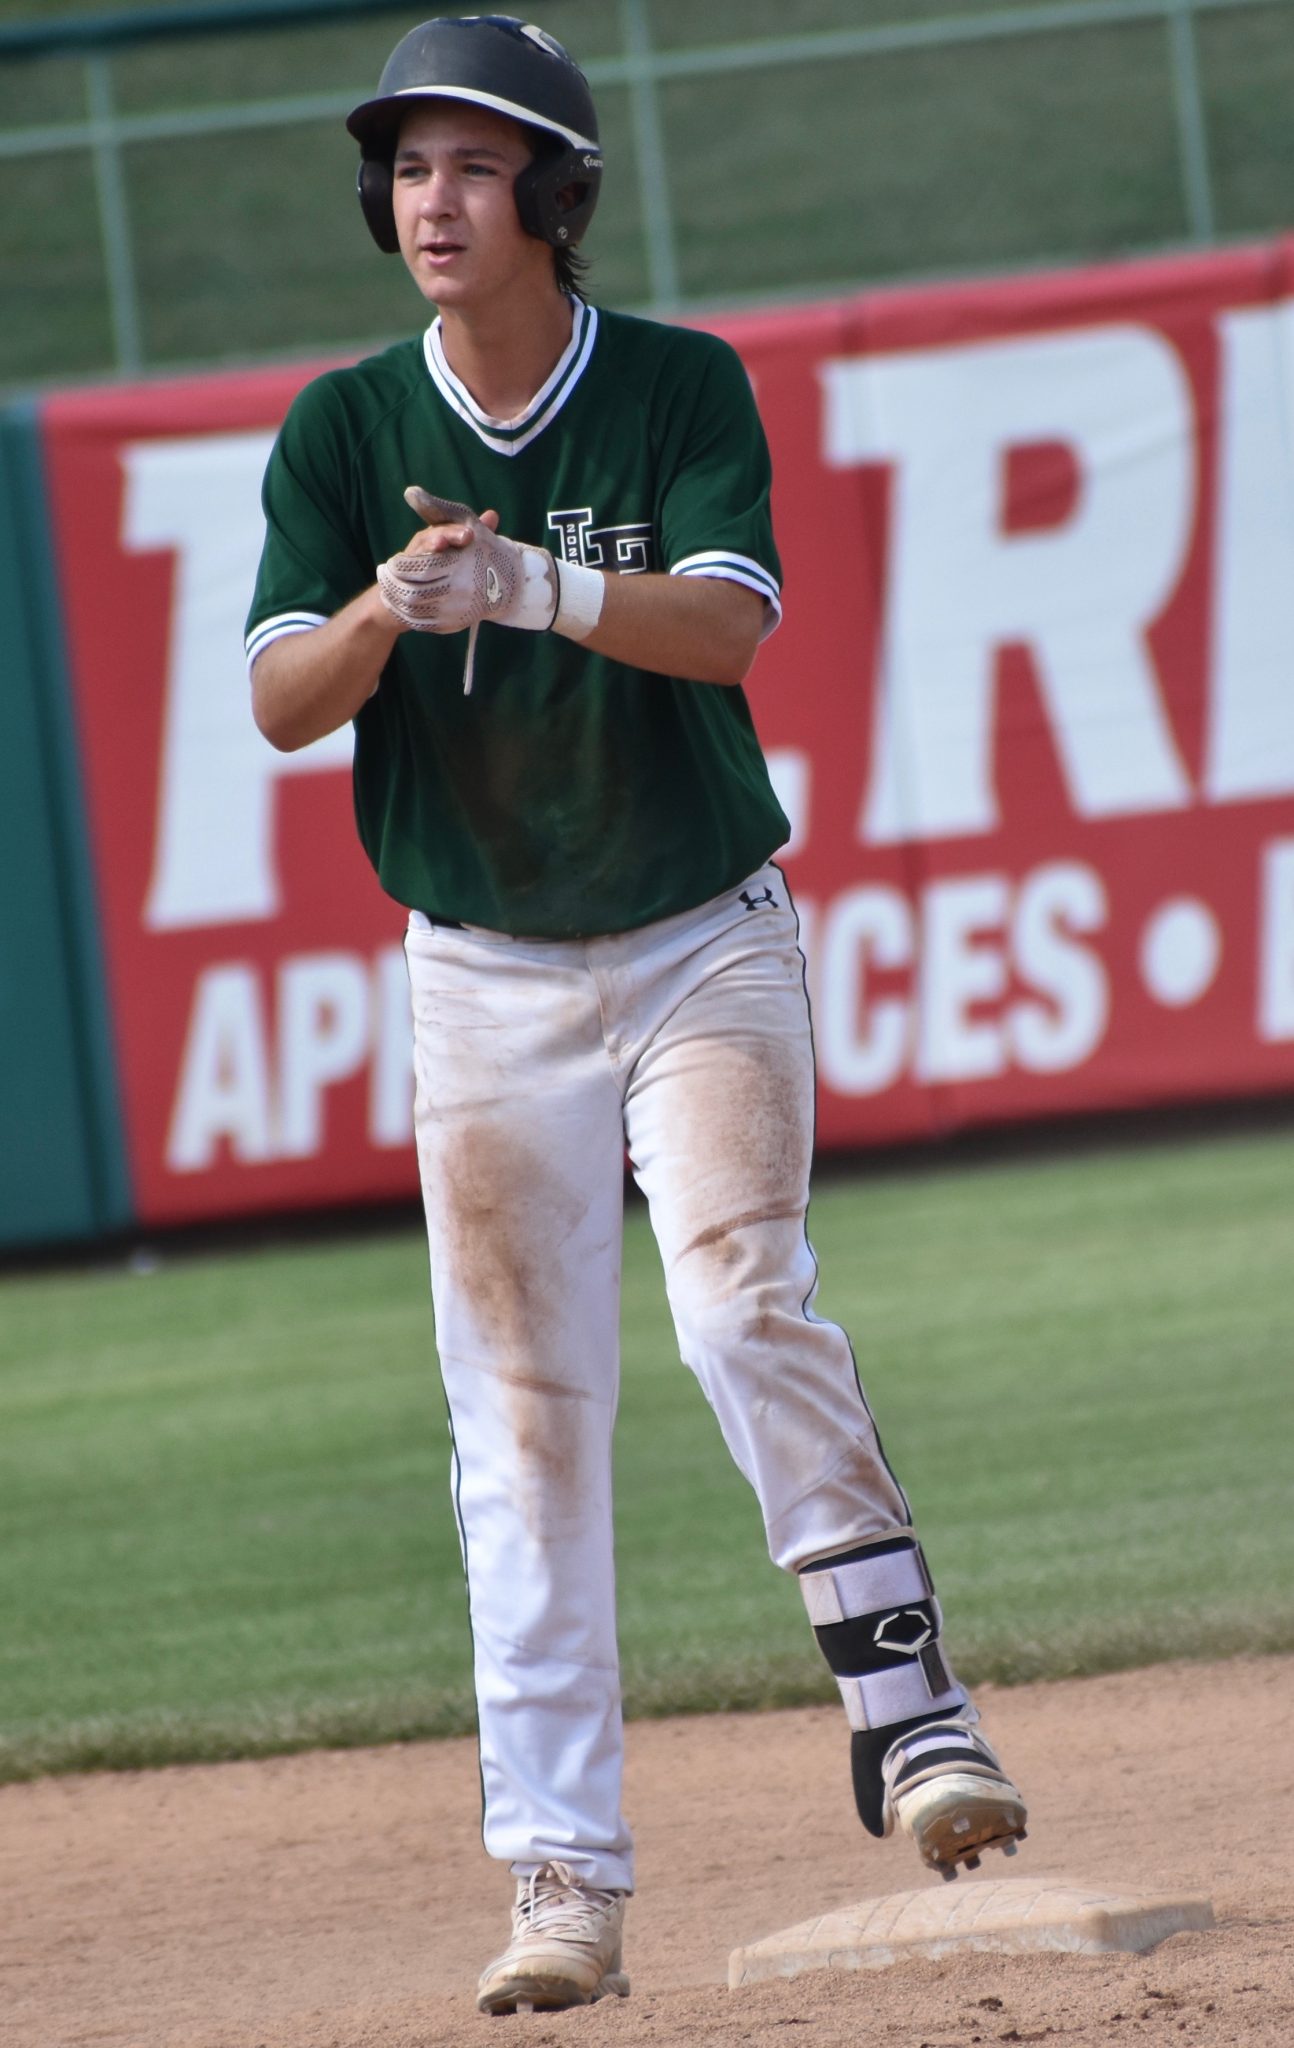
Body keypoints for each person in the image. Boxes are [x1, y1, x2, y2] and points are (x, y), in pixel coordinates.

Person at [245, 14, 1027, 2018]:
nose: (432, 198)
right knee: (517, 1418)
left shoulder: (674, 384)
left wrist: (526, 584)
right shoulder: (340, 428)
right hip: (482, 973)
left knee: (732, 1296)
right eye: (408, 165)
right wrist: (381, 610)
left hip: (696, 935)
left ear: (553, 197)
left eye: (472, 165)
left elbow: (729, 621)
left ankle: (909, 1711)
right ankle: (561, 1880)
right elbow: (276, 701)